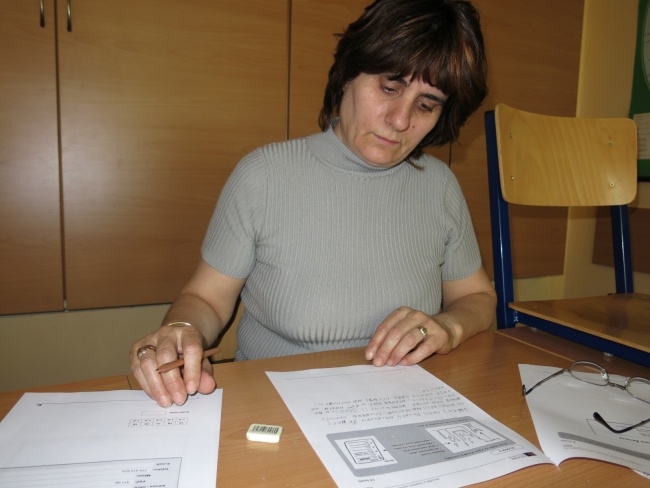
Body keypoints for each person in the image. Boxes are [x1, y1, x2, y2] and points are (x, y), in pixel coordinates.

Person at [131, 0, 496, 408]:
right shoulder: (264, 175)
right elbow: (206, 299)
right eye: (389, 88)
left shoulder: (439, 186)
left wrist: (448, 327)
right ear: (348, 75)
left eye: (426, 105)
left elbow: (478, 299)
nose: (400, 120)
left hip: (404, 403)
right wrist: (179, 329)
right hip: (275, 406)